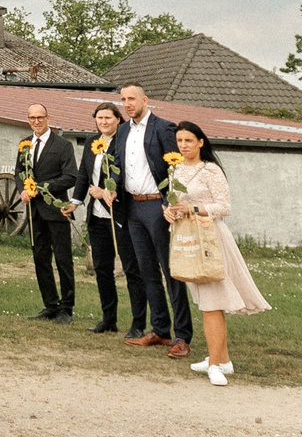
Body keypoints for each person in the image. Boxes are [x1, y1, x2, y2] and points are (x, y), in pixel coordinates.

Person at [164, 119, 269, 382]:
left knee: (213, 302)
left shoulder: (210, 170)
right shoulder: (174, 170)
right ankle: (223, 359)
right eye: (180, 141)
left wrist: (195, 210)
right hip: (187, 240)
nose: (184, 145)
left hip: (211, 238)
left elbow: (224, 206)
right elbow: (175, 203)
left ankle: (214, 365)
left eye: (189, 140)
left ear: (200, 142)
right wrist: (170, 212)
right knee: (205, 300)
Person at [110, 83, 193, 359]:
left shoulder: (163, 128)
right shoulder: (122, 130)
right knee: (146, 271)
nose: (127, 103)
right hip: (132, 208)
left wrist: (172, 204)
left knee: (171, 272)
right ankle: (160, 329)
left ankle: (182, 336)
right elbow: (119, 165)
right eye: (123, 99)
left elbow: (177, 169)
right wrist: (113, 188)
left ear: (145, 100)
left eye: (131, 98)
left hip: (158, 208)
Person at [15, 101, 80, 323]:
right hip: (34, 214)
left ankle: (66, 308)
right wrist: (23, 189)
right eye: (32, 118)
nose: (36, 122)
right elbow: (19, 172)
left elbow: (70, 176)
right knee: (40, 258)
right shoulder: (24, 144)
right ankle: (50, 305)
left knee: (63, 260)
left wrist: (42, 188)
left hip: (56, 210)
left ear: (48, 118)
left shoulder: (62, 146)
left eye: (40, 118)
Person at [79, 102, 129, 334]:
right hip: (97, 216)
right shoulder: (92, 142)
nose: (104, 122)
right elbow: (84, 174)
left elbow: (124, 176)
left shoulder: (124, 142)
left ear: (118, 119)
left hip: (119, 214)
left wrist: (106, 193)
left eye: (108, 117)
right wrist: (75, 202)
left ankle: (140, 323)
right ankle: (109, 319)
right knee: (102, 268)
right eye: (100, 118)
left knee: (131, 268)